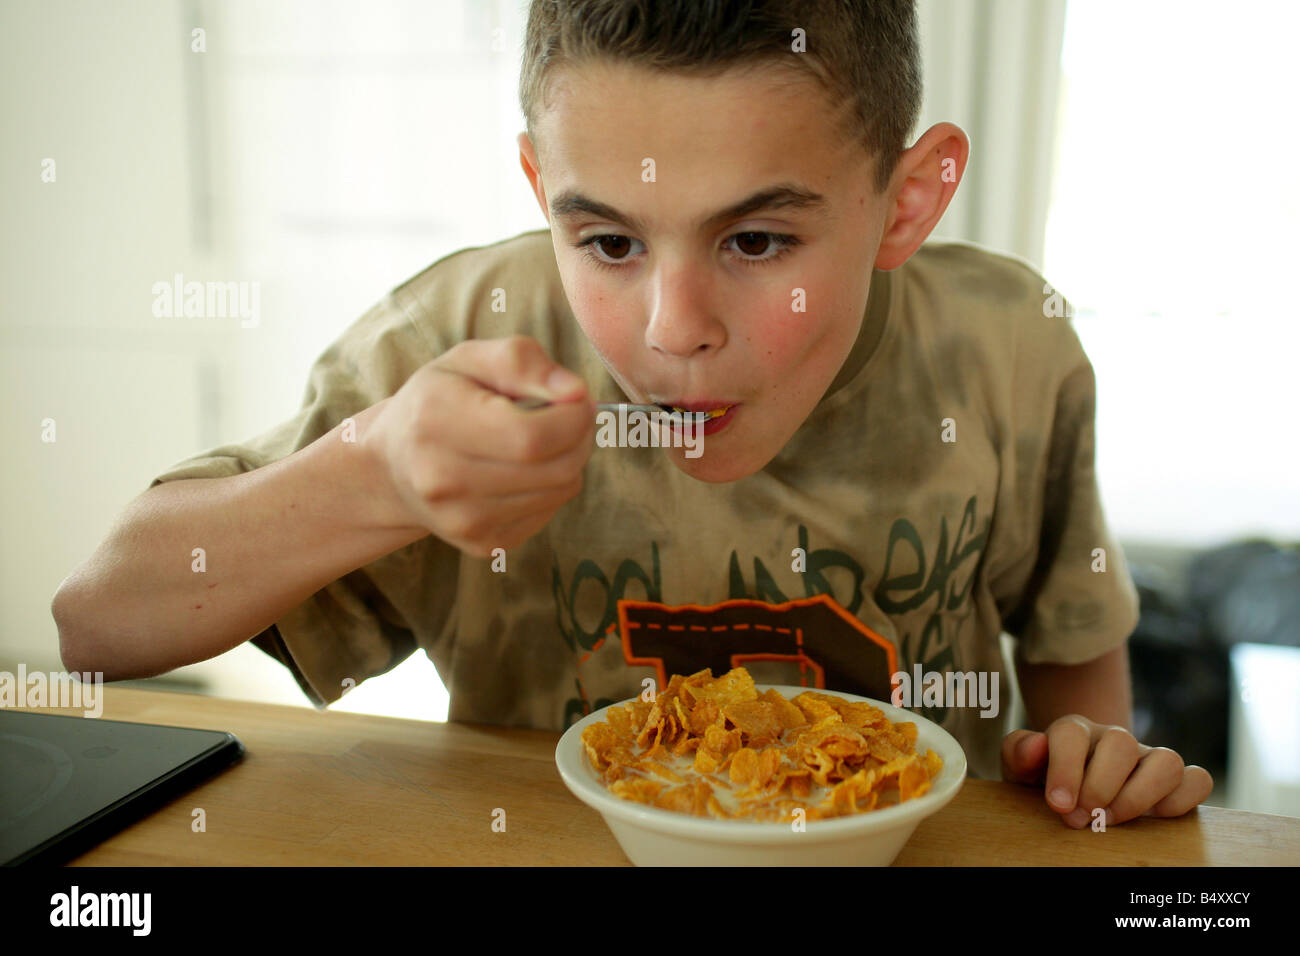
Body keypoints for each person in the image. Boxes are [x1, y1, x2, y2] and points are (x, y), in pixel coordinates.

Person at [52, 0, 1212, 829]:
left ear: (905, 202)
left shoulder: (1006, 346)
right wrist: (373, 473)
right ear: (536, 187)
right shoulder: (459, 336)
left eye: (755, 241)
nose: (672, 328)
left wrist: (1088, 771)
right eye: (605, 241)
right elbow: (97, 624)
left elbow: (1074, 665)